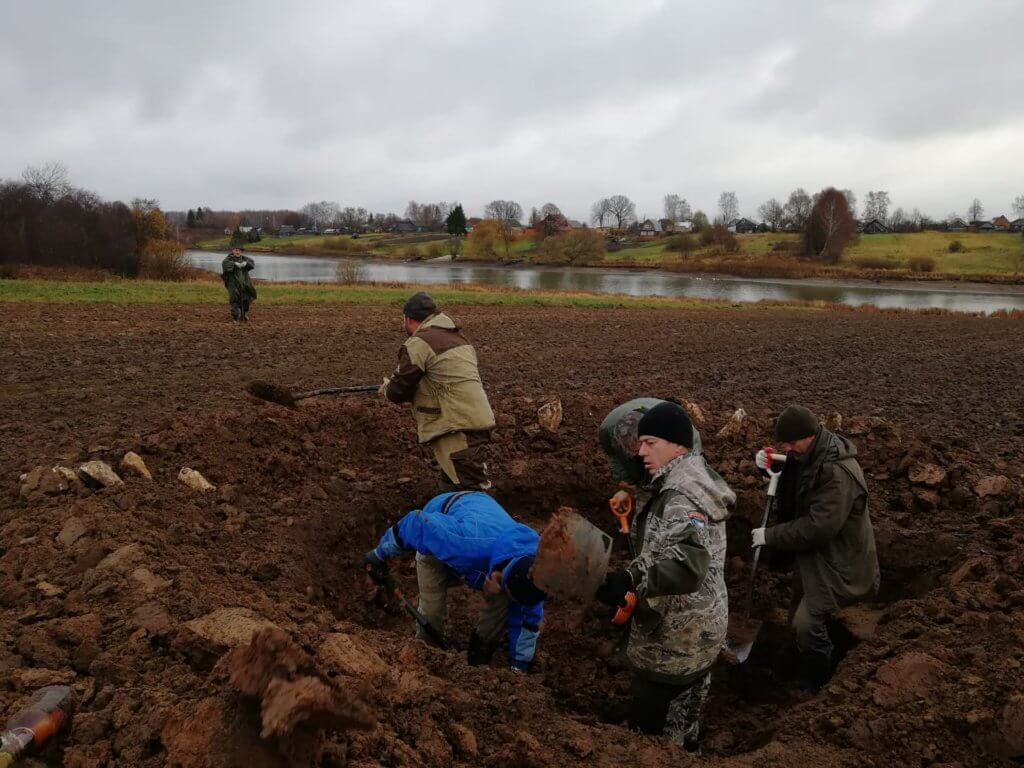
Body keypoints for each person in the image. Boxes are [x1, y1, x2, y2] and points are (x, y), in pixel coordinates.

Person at [595, 401, 735, 753]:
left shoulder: (679, 496)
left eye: (650, 443)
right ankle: (688, 749)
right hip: (701, 630)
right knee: (685, 717)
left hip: (674, 640)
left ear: (678, 444)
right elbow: (666, 542)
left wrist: (629, 580)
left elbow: (686, 564)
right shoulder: (693, 476)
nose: (640, 451)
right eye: (640, 442)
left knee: (651, 738)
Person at [752, 405, 879, 690]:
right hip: (817, 558)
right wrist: (766, 467)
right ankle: (802, 664)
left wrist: (770, 536)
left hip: (841, 563)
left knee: (806, 625)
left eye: (790, 443)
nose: (787, 448)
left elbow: (818, 528)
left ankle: (821, 681)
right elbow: (798, 480)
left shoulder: (836, 471)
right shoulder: (815, 452)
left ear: (808, 436)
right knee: (796, 614)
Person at [363, 491, 545, 671]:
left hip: (485, 547)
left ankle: (477, 663)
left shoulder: (534, 576)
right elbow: (416, 523)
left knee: (501, 605)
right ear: (504, 579)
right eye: (507, 591)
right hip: (445, 521)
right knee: (432, 612)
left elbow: (527, 619)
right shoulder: (464, 543)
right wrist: (378, 555)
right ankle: (425, 658)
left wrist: (519, 668)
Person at [382, 292, 496, 490]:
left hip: (456, 426)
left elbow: (397, 391)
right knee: (453, 483)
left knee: (471, 491)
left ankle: (488, 521)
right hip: (475, 420)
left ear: (408, 319)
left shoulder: (419, 343)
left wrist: (385, 388)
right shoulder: (461, 340)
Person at [599, 397, 703, 516]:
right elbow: (617, 458)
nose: (640, 454)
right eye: (634, 451)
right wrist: (627, 486)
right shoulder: (608, 431)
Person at [221, 247, 257, 322]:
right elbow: (225, 265)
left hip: (245, 283)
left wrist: (246, 264)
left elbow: (252, 264)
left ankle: (244, 314)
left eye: (240, 250)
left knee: (246, 298)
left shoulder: (245, 258)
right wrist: (234, 264)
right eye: (236, 250)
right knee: (234, 299)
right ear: (232, 250)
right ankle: (235, 317)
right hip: (233, 283)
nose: (238, 252)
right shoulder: (228, 259)